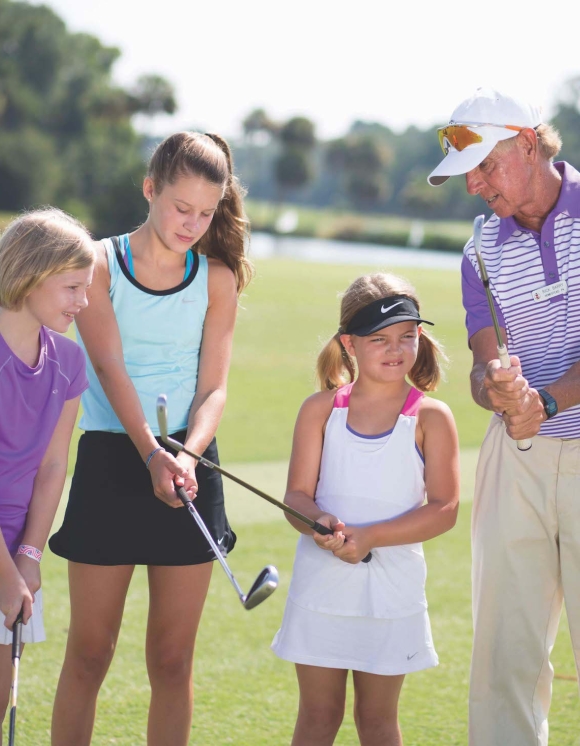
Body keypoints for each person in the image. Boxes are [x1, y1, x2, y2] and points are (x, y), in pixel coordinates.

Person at [49, 132, 252, 746]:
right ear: (149, 189)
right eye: (179, 207)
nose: (192, 224)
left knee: (172, 662)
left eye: (206, 213)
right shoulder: (98, 262)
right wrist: (152, 452)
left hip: (190, 465)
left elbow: (214, 388)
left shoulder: (218, 278)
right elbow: (108, 368)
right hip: (114, 460)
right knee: (88, 655)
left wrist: (186, 454)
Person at [428, 86, 580, 745]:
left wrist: (545, 400)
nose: (474, 188)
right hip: (517, 459)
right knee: (504, 655)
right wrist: (501, 390)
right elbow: (484, 359)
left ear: (526, 142)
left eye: (484, 167)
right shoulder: (480, 247)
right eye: (467, 176)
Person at [271, 272, 460, 746]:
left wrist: (371, 537)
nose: (395, 349)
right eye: (379, 339)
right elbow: (296, 498)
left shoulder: (431, 417)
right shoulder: (319, 410)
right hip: (322, 586)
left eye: (406, 336)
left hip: (390, 590)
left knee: (377, 723)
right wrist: (318, 523)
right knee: (317, 716)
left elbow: (445, 508)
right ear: (349, 344)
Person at [0, 209, 95, 741]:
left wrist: (29, 556)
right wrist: (6, 572)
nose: (83, 302)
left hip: (15, 548)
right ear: (31, 276)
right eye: (72, 287)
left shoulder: (68, 361)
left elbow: (53, 464)